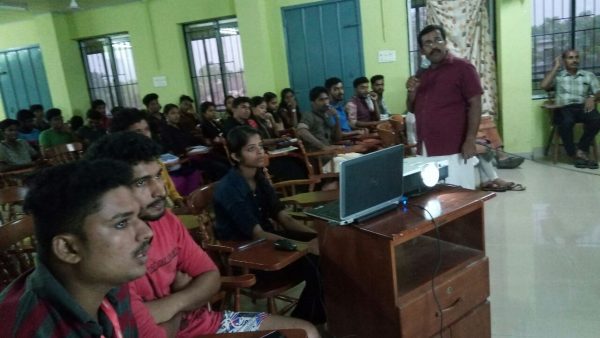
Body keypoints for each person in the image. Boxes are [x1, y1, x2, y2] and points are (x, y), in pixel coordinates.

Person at [84, 131, 319, 338]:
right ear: (114, 191)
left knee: (305, 332)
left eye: (158, 175)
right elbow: (148, 333)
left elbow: (211, 277)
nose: (160, 190)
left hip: (209, 322)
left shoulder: (167, 220)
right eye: (142, 182)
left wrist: (173, 303)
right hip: (174, 330)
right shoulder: (110, 252)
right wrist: (187, 300)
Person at [0, 159, 152, 337]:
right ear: (68, 249)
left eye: (138, 217)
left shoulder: (110, 284)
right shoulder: (27, 329)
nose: (147, 232)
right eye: (121, 223)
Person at [214, 126, 325, 325]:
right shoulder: (229, 188)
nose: (259, 152)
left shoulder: (259, 177)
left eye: (260, 146)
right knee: (317, 265)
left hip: (269, 242)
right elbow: (258, 234)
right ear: (235, 156)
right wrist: (305, 247)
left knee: (330, 252)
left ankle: (316, 315)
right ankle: (301, 323)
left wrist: (320, 237)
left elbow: (284, 218)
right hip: (247, 255)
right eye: (251, 149)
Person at [406, 24, 481, 189]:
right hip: (426, 148)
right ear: (422, 51)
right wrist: (411, 92)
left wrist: (470, 139)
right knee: (433, 200)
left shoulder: (463, 68)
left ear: (445, 42)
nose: (434, 46)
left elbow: (475, 104)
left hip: (454, 149)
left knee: (460, 199)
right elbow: (412, 109)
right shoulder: (421, 74)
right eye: (427, 43)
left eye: (437, 40)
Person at [111, 107, 185, 208]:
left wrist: (177, 199)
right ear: (123, 135)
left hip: (166, 206)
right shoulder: (122, 166)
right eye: (138, 132)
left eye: (147, 129)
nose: (145, 135)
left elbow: (168, 185)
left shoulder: (154, 158)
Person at [540, 49, 600, 169]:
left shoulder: (588, 75)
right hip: (564, 107)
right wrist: (556, 67)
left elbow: (598, 91)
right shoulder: (558, 76)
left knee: (596, 119)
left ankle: (581, 151)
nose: (574, 60)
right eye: (570, 58)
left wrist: (593, 98)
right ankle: (573, 154)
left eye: (577, 57)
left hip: (582, 107)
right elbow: (544, 86)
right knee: (566, 122)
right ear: (564, 60)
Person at [296, 86, 341, 152]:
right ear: (312, 103)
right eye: (321, 100)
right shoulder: (309, 115)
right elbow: (301, 131)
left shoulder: (327, 117)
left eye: (326, 99)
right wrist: (323, 147)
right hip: (319, 156)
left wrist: (337, 118)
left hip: (332, 153)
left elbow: (337, 139)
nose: (325, 102)